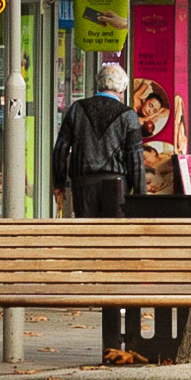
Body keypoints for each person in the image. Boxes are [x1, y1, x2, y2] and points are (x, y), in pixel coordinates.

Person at [53, 57, 145, 362]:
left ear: (98, 85)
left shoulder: (76, 110)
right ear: (121, 89)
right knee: (114, 242)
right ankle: (112, 290)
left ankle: (92, 287)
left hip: (82, 184)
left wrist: (58, 182)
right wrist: (139, 194)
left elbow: (60, 148)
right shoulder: (128, 115)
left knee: (88, 237)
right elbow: (135, 160)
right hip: (115, 185)